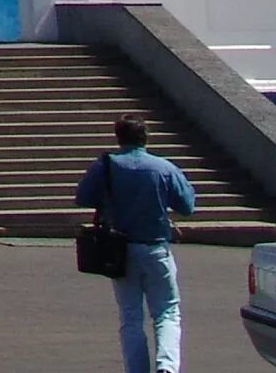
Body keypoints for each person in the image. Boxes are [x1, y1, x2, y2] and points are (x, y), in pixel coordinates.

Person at [78, 114, 197, 373]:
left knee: (130, 317)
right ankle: (167, 367)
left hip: (119, 251)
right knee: (166, 312)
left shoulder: (106, 165)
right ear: (146, 137)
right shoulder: (164, 167)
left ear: (118, 138)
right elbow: (187, 205)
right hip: (156, 248)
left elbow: (83, 196)